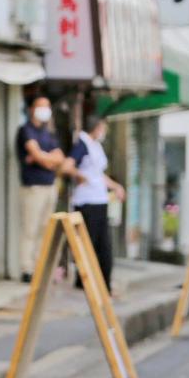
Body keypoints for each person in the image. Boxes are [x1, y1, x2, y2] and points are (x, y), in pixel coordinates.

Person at [16, 96, 75, 282]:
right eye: (42, 106)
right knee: (30, 229)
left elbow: (59, 158)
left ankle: (40, 268)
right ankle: (27, 269)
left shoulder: (48, 132)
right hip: (33, 187)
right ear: (32, 108)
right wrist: (45, 159)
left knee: (44, 230)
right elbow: (38, 155)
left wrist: (45, 159)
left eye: (48, 106)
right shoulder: (26, 130)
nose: (45, 110)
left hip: (50, 186)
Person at [67, 115, 123, 292]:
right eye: (103, 128)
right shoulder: (82, 144)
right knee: (88, 244)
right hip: (86, 202)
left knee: (103, 245)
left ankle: (103, 283)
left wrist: (115, 187)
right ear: (97, 128)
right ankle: (84, 280)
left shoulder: (95, 146)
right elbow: (67, 166)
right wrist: (80, 176)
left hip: (100, 200)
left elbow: (98, 175)